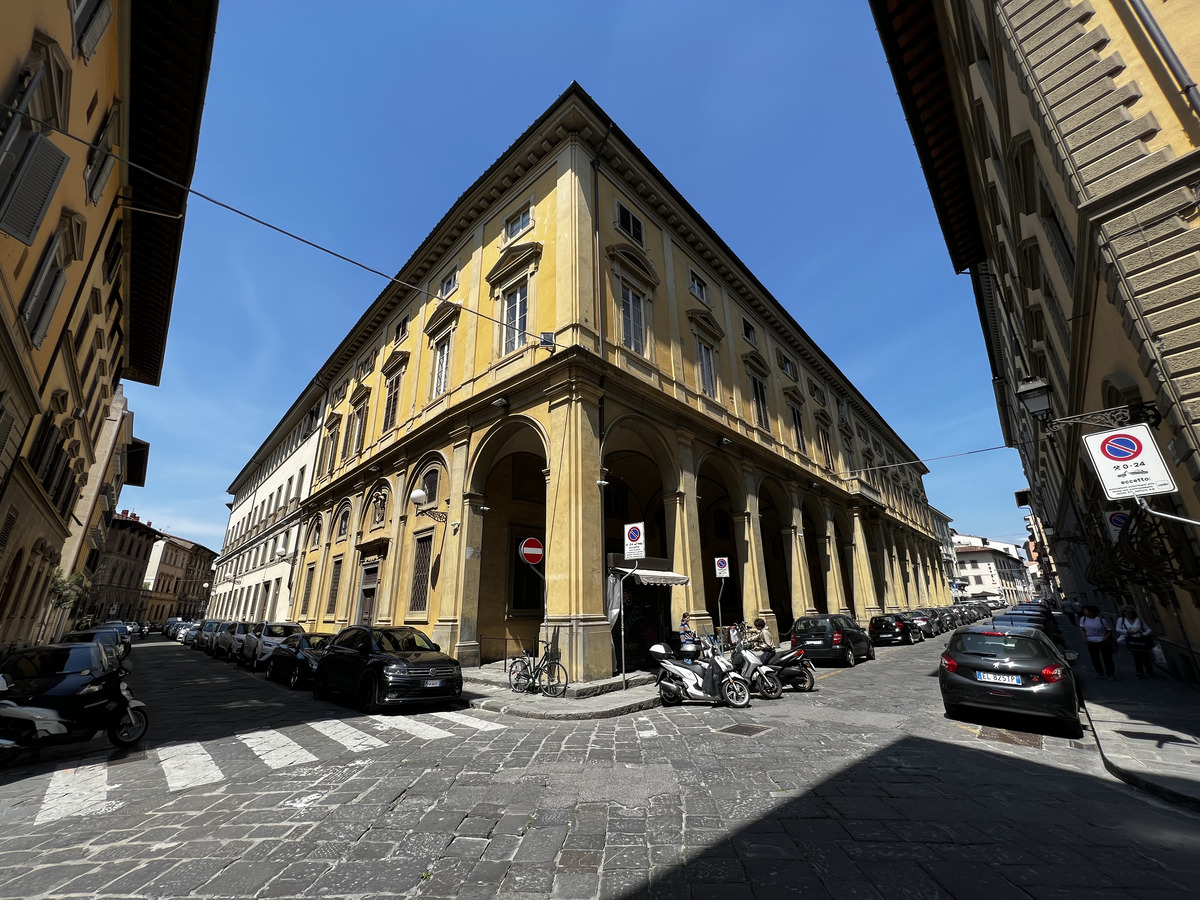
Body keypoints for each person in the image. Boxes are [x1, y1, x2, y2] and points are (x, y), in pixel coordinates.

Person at [1115, 606, 1155, 678]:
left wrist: (1143, 634)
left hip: (1141, 640)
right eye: (1126, 613)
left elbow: (1149, 630)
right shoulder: (1121, 620)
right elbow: (1117, 629)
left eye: (1130, 613)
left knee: (1145, 656)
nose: (1128, 615)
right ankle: (1139, 671)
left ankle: (1149, 671)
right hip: (1131, 640)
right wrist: (1126, 631)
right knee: (1136, 656)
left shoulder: (1138, 620)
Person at [1079, 605, 1116, 679]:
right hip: (1091, 641)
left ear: (1091, 612)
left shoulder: (1101, 620)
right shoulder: (1083, 619)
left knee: (1107, 658)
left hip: (1102, 641)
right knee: (1095, 658)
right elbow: (1082, 629)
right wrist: (1085, 639)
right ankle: (1100, 672)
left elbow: (1109, 630)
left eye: (1086, 610)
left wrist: (1105, 638)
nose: (1084, 612)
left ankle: (1110, 673)